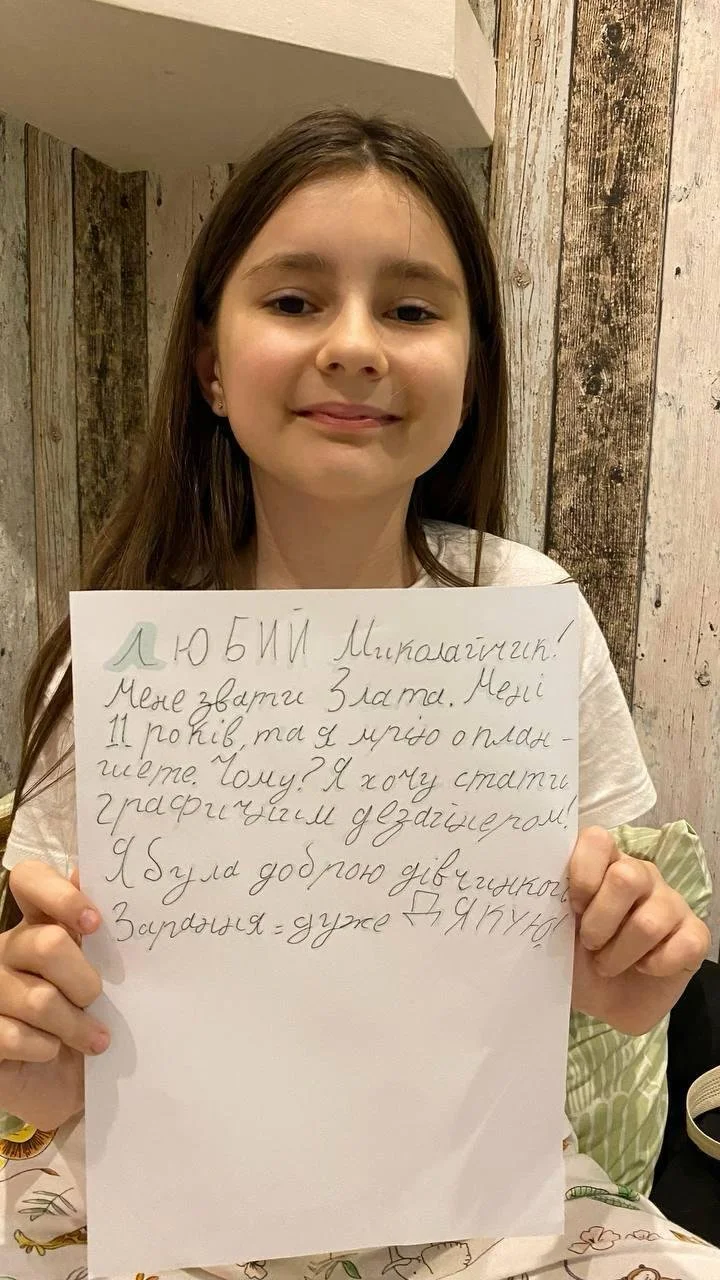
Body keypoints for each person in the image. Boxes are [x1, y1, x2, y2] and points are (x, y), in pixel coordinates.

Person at [0, 108, 714, 1280]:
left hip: (484, 1205)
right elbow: (57, 1032)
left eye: (414, 307)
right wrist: (38, 1056)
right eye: (293, 301)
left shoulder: (527, 610)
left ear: (473, 365)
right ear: (208, 363)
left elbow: (608, 955)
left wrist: (623, 968)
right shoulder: (127, 669)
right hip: (183, 1208)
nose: (356, 344)